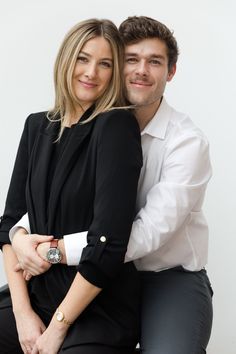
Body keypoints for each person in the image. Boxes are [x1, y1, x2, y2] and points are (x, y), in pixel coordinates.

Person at [3, 16, 213, 354]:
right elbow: (53, 198)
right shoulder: (91, 126)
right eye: (131, 59)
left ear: (170, 72)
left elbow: (143, 234)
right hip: (95, 270)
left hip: (165, 275)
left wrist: (52, 251)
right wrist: (20, 236)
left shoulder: (187, 143)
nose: (141, 70)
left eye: (154, 62)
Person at [0, 18, 143, 354]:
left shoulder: (117, 126)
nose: (92, 72)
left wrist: (56, 329)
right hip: (35, 295)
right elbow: (8, 224)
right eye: (83, 58)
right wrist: (23, 316)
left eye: (105, 64)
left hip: (95, 305)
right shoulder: (37, 126)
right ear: (66, 60)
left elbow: (107, 244)